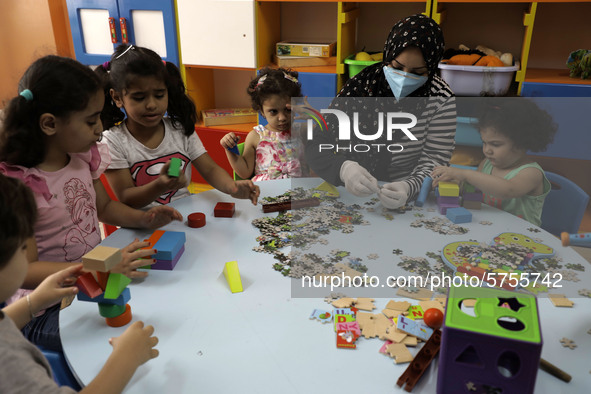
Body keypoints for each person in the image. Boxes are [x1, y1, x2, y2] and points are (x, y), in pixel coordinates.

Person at [0, 55, 182, 351]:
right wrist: (99, 269)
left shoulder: (82, 156)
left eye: (99, 117)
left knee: (158, 310)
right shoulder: (20, 185)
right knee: (123, 339)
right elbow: (26, 270)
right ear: (49, 124)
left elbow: (106, 208)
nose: (99, 129)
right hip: (45, 308)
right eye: (90, 120)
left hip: (93, 281)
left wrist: (145, 219)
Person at [0, 174, 159, 393]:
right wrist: (127, 359)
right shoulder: (10, 363)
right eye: (22, 248)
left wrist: (33, 301)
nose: (27, 253)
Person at [303, 14, 456, 209]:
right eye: (397, 67)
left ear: (432, 68)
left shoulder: (440, 98)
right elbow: (316, 141)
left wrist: (409, 187)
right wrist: (343, 168)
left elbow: (435, 159)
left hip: (404, 198)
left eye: (418, 73)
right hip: (350, 192)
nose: (404, 78)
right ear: (388, 56)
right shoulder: (361, 86)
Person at [98, 44, 260, 208]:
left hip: (183, 215)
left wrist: (232, 187)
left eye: (159, 95)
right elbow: (127, 197)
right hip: (142, 223)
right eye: (139, 98)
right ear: (117, 97)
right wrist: (160, 185)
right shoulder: (112, 141)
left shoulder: (179, 130)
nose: (152, 104)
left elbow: (210, 169)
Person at [432, 99, 557, 226]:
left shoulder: (531, 173)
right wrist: (456, 185)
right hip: (487, 228)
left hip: (521, 237)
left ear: (521, 143)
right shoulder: (487, 163)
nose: (487, 150)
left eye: (495, 144)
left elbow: (508, 190)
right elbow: (474, 190)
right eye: (484, 142)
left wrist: (466, 174)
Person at [220, 67, 308, 181]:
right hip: (266, 194)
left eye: (288, 110)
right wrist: (230, 149)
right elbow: (245, 172)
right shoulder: (256, 136)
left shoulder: (302, 130)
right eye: (273, 111)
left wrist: (313, 116)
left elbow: (331, 132)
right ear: (261, 111)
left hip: (299, 192)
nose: (282, 118)